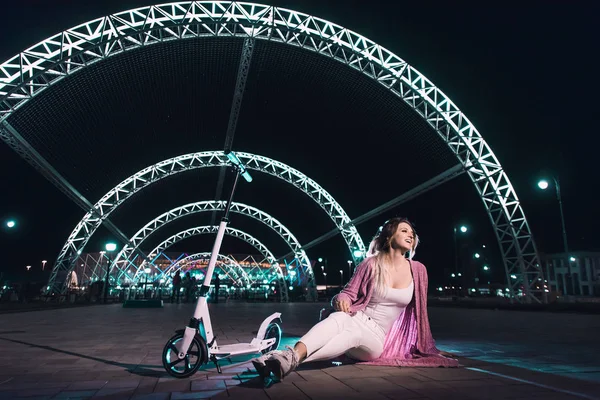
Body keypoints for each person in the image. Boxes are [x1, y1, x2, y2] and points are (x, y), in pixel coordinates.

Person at [252, 217, 459, 381]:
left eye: (412, 233)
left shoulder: (418, 270)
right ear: (388, 236)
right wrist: (341, 299)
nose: (410, 235)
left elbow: (421, 314)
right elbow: (347, 294)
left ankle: (282, 357)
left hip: (375, 339)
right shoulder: (370, 265)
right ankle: (287, 360)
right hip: (356, 318)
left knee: (349, 332)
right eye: (404, 230)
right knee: (341, 320)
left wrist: (429, 347)